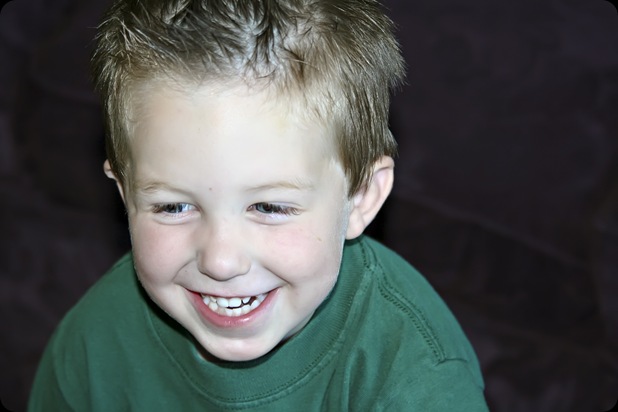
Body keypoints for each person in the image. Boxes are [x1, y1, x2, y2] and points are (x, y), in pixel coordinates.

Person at [28, 0, 488, 410]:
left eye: (269, 207)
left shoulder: (417, 378)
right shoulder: (93, 341)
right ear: (125, 192)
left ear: (362, 196)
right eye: (173, 207)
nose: (221, 261)